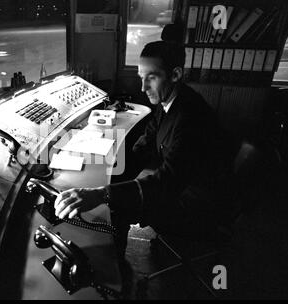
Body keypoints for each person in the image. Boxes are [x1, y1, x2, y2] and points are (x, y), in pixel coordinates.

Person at [54, 40, 233, 255]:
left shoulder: (191, 117)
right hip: (183, 186)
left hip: (198, 204)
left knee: (117, 207)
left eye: (151, 78)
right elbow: (146, 143)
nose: (142, 87)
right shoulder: (171, 99)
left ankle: (116, 276)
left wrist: (103, 194)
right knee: (115, 196)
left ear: (175, 74)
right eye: (141, 78)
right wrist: (108, 177)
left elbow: (167, 182)